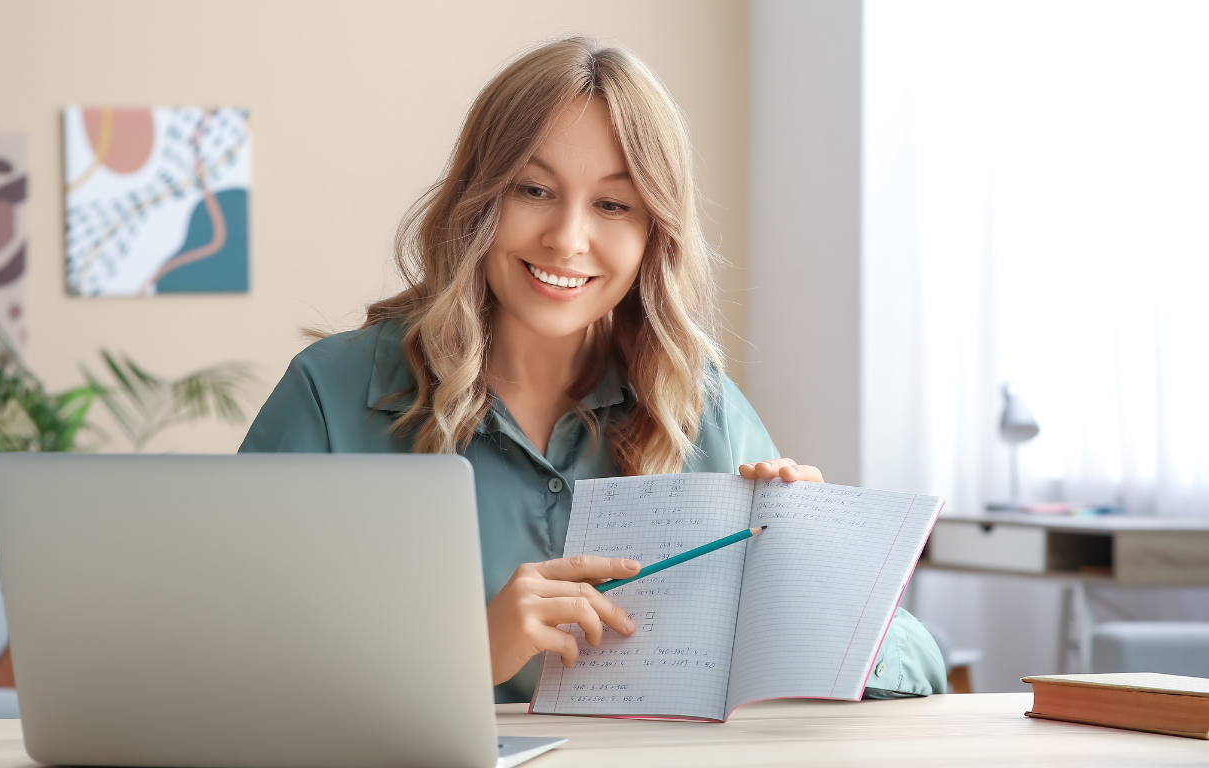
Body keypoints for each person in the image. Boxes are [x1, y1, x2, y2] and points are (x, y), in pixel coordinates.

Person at [240, 37, 946, 703]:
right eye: (534, 190)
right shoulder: (331, 396)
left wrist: (819, 580)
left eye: (613, 205)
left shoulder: (701, 410)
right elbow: (229, 655)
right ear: (479, 198)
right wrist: (463, 655)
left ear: (652, 235)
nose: (567, 238)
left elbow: (919, 658)